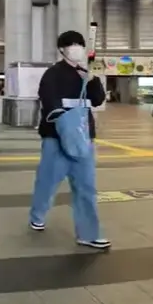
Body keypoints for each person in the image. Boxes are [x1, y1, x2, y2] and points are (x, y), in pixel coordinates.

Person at [29, 30, 110, 250]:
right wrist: (63, 121)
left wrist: (93, 81)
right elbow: (49, 100)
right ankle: (37, 214)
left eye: (79, 44)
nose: (76, 48)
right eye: (71, 44)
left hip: (83, 137)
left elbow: (98, 100)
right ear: (62, 49)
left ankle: (88, 234)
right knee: (47, 182)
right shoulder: (52, 74)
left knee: (86, 187)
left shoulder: (87, 73)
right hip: (56, 137)